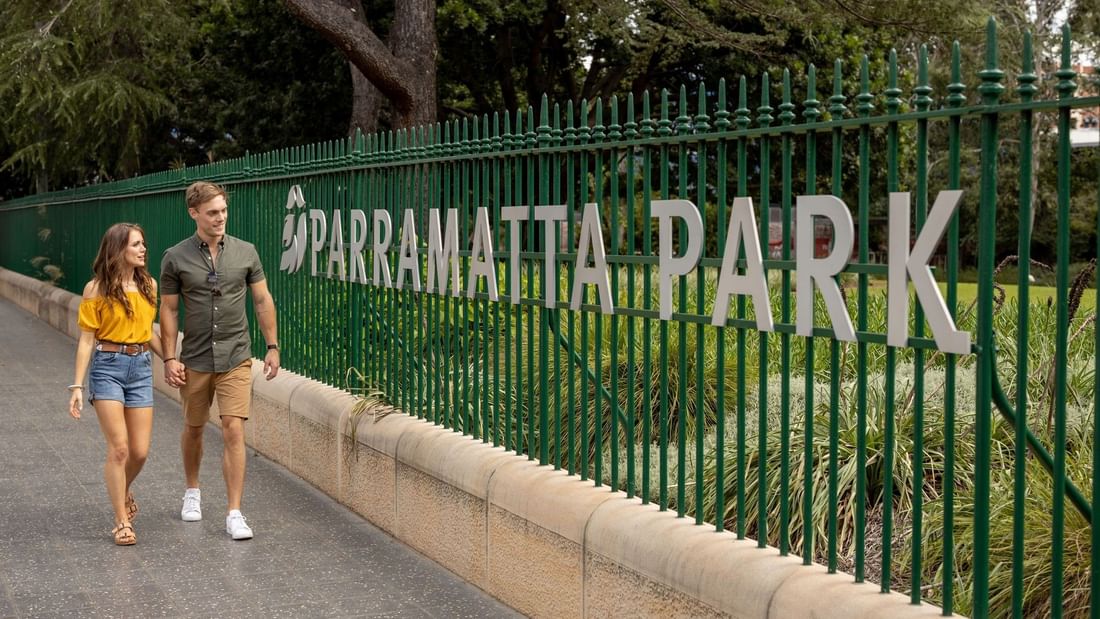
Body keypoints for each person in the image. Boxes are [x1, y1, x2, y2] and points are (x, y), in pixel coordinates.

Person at [159, 180, 280, 541]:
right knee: (194, 428)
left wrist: (272, 346)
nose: (220, 218)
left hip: (236, 355)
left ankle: (234, 512)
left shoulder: (246, 252)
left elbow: (262, 300)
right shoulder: (175, 257)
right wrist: (168, 356)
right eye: (212, 212)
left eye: (224, 211)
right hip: (194, 357)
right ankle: (192, 491)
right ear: (194, 213)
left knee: (233, 428)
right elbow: (168, 308)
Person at [69, 223, 165, 546]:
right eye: (136, 245)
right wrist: (77, 387)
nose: (143, 250)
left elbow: (149, 330)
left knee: (140, 452)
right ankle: (121, 520)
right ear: (118, 249)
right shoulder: (95, 289)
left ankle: (121, 490)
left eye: (143, 244)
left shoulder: (150, 285)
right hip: (107, 367)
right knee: (120, 448)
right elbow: (85, 341)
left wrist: (171, 359)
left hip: (140, 368)